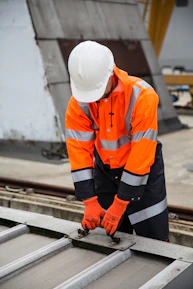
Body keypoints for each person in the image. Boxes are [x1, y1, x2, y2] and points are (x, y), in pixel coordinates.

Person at [65, 40, 169, 241]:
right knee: (111, 235)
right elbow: (78, 151)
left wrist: (121, 203)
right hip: (105, 171)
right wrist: (89, 201)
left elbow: (142, 153)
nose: (90, 99)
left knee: (154, 234)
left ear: (111, 74)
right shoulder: (79, 102)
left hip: (143, 171)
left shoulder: (142, 96)